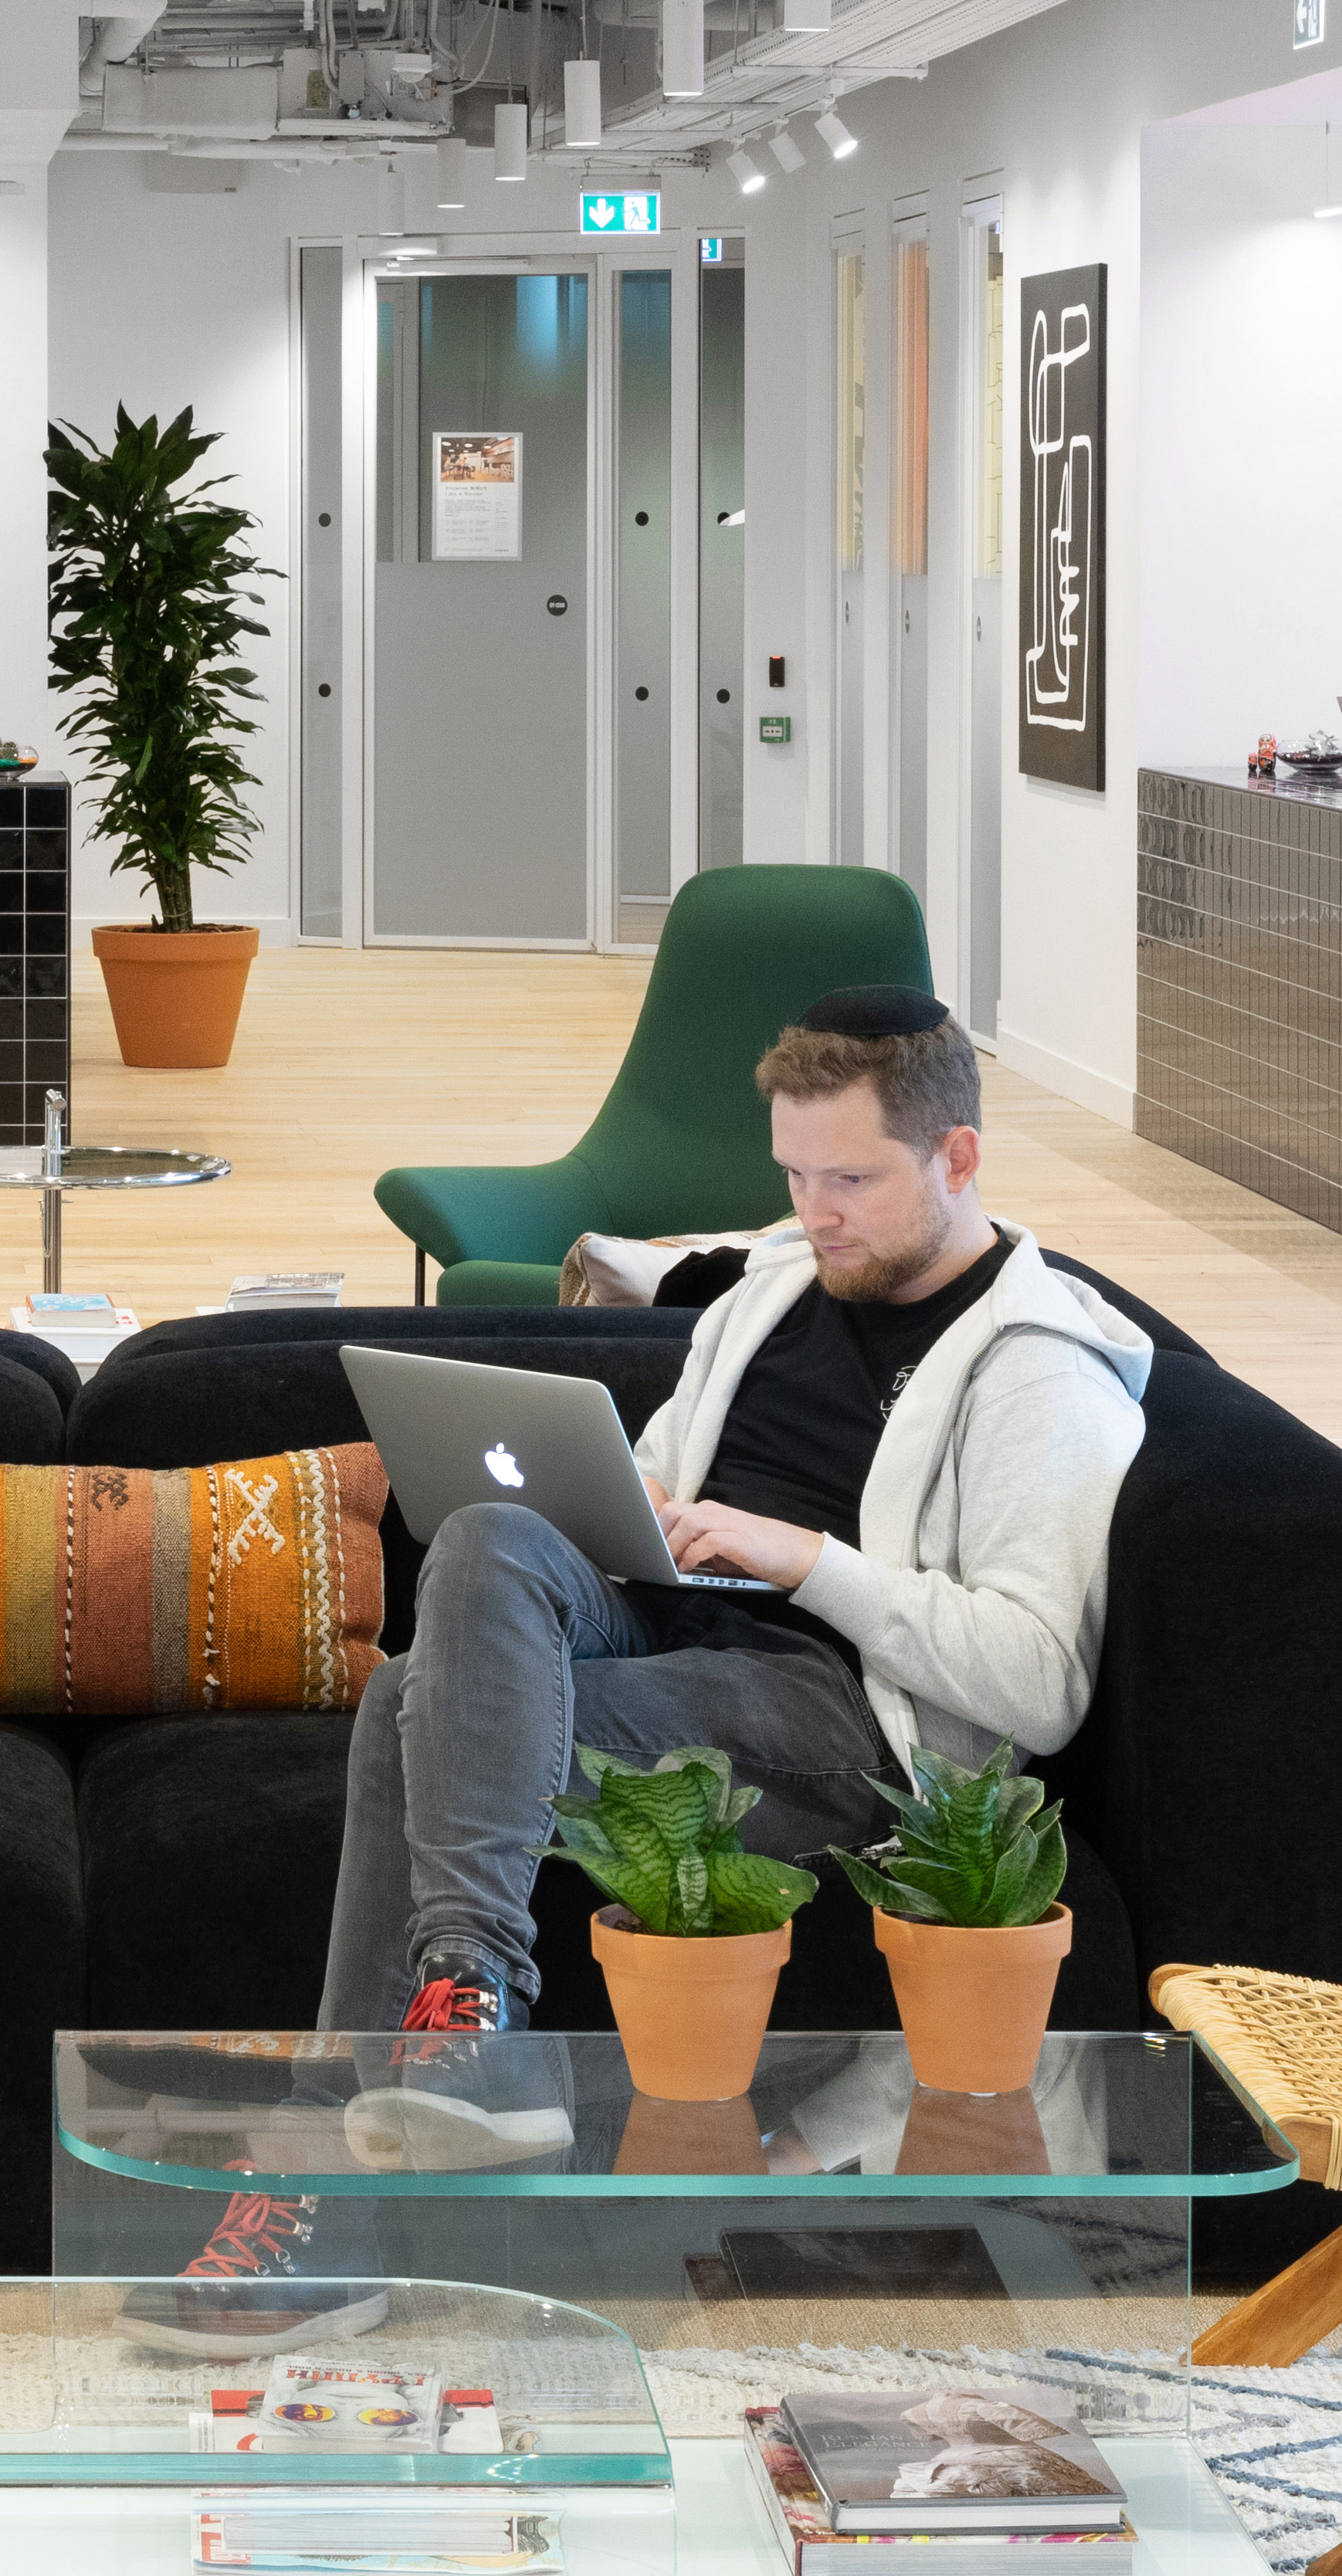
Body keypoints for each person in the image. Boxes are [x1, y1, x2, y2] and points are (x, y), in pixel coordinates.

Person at [141, 989, 1154, 2353]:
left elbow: (1038, 1681)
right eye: (794, 1177)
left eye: (851, 1181)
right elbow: (665, 1474)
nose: (816, 1213)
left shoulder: (1041, 1374)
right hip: (673, 1620)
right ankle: (471, 2016)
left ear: (958, 1159)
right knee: (490, 1534)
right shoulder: (776, 1287)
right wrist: (634, 1504)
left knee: (405, 1696)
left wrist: (806, 1560)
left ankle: (341, 2188)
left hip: (842, 1710)